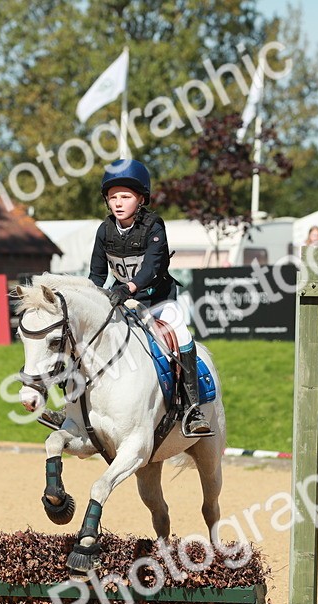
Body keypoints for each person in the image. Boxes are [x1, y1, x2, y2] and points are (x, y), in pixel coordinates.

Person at [87, 158, 212, 437]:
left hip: (158, 301)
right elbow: (97, 273)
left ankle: (193, 409)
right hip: (122, 301)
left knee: (182, 336)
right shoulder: (104, 230)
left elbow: (152, 267)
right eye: (113, 197)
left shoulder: (154, 225)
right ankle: (74, 406)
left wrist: (128, 287)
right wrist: (90, 299)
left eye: (126, 196)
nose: (118, 203)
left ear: (141, 199)